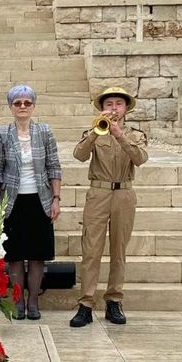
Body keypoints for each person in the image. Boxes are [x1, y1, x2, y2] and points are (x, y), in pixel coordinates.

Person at [69, 87, 148, 328]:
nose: (113, 108)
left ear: (126, 109)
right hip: (99, 192)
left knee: (119, 249)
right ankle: (86, 304)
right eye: (109, 104)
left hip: (124, 192)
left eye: (118, 104)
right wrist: (96, 132)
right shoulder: (94, 130)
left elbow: (140, 158)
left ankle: (114, 300)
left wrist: (119, 135)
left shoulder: (135, 134)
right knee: (91, 248)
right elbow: (79, 155)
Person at [0, 84, 62, 320]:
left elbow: (54, 166)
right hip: (13, 201)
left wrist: (56, 199)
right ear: (11, 106)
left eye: (27, 103)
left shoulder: (44, 131)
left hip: (40, 199)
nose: (22, 107)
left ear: (33, 106)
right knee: (16, 255)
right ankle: (18, 300)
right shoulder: (3, 133)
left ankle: (33, 301)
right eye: (17, 103)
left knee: (37, 254)